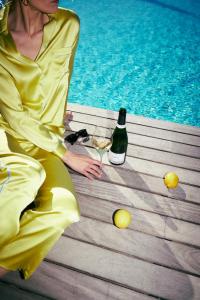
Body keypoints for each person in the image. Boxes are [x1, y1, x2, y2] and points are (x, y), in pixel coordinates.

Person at [0, 0, 102, 280]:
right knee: (25, 177)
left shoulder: (69, 25)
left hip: (46, 138)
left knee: (64, 209)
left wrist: (58, 116)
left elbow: (64, 76)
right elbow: (16, 118)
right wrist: (66, 154)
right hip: (7, 134)